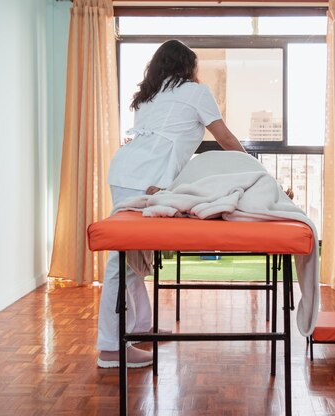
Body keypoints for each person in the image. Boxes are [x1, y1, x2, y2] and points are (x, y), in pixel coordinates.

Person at [97, 40, 246, 368]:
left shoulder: (151, 95)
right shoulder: (195, 92)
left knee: (133, 257)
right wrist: (253, 168)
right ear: (187, 66)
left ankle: (140, 328)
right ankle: (110, 348)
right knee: (121, 261)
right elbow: (225, 139)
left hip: (126, 171)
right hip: (143, 177)